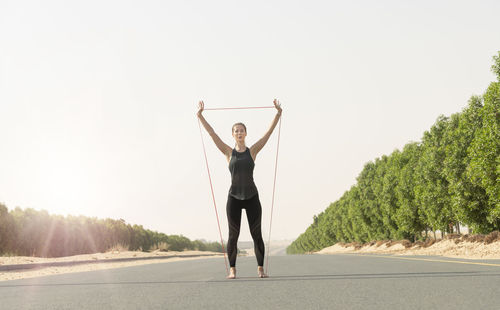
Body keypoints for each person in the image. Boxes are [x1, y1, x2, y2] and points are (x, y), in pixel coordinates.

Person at [197, 99, 282, 279]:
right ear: (233, 135)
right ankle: (233, 269)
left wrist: (278, 114)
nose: (239, 133)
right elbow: (213, 134)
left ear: (245, 133)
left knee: (256, 234)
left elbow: (268, 133)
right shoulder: (229, 152)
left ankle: (260, 269)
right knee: (233, 235)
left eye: (242, 130)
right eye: (236, 131)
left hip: (252, 197)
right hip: (234, 198)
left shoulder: (253, 151)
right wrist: (200, 116)